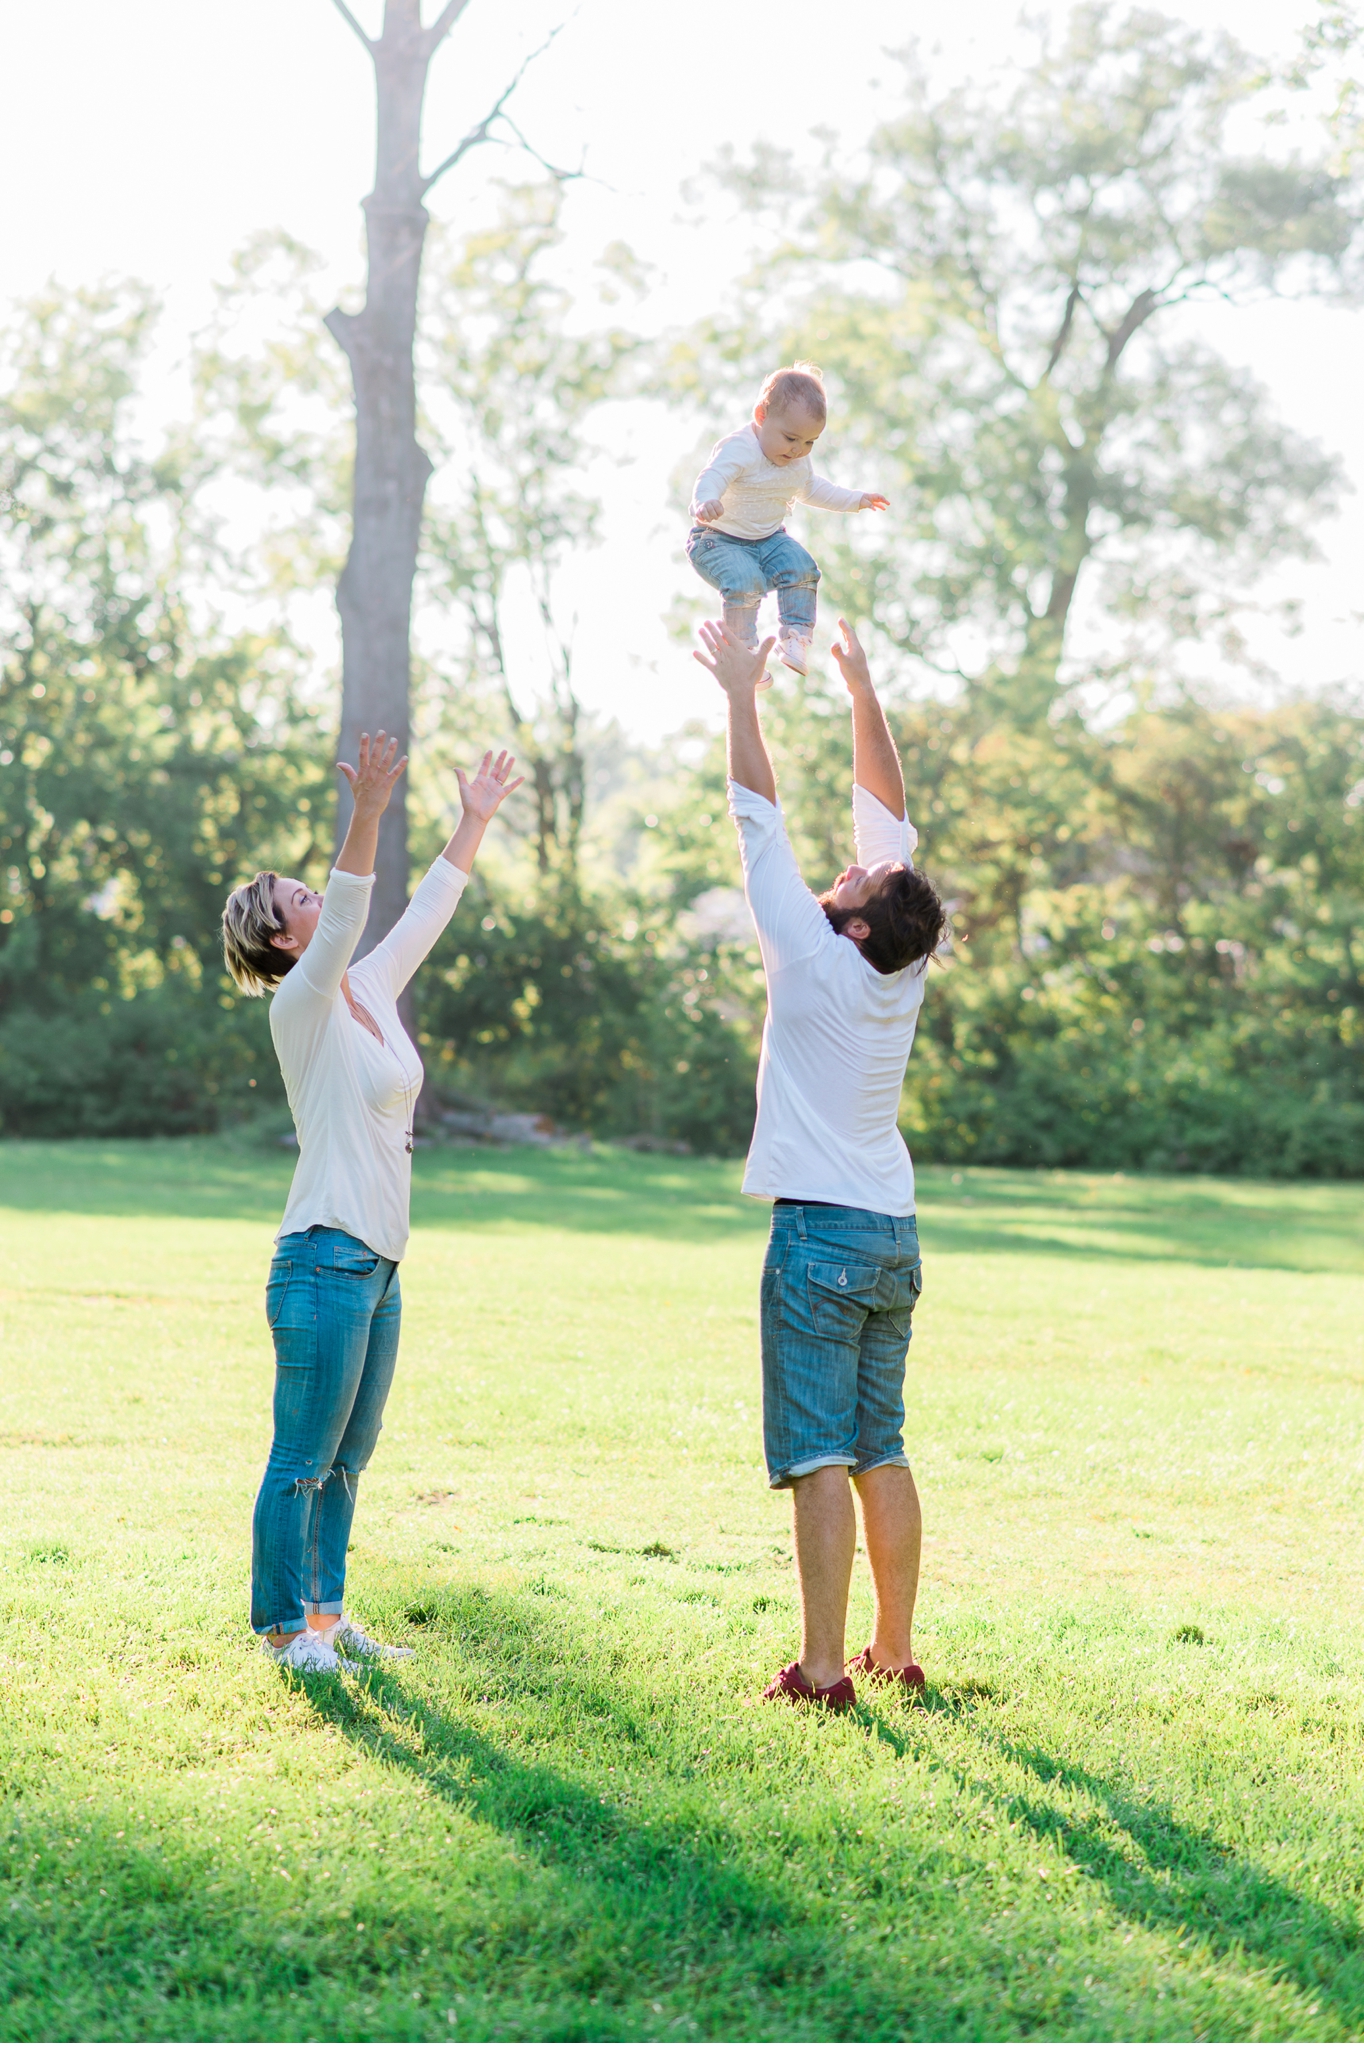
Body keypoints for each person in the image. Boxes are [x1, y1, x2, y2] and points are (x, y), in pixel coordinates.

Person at [221, 732, 522, 1675]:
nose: (318, 896)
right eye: (298, 900)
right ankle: (281, 1632)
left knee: (349, 1459)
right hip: (321, 1256)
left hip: (380, 1263)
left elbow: (425, 913)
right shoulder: (300, 1006)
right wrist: (369, 812)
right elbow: (351, 910)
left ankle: (326, 1619)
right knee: (301, 1456)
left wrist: (471, 822)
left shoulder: (370, 992)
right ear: (283, 940)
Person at [692, 616, 945, 1712]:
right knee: (879, 1442)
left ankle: (825, 1670)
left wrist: (739, 694)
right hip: (890, 1231)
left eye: (857, 875)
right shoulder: (899, 963)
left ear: (851, 922)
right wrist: (859, 687)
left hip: (819, 1237)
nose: (846, 865)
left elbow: (756, 813)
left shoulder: (805, 947)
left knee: (816, 1456)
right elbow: (887, 818)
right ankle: (893, 1648)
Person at [687, 362, 888, 685]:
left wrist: (856, 500)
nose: (798, 450)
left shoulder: (797, 461)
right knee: (745, 580)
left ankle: (795, 635)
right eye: (791, 438)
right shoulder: (741, 448)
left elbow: (812, 489)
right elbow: (713, 474)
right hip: (718, 540)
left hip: (768, 541)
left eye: (809, 442)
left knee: (802, 566)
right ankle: (744, 655)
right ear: (762, 416)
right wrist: (704, 500)